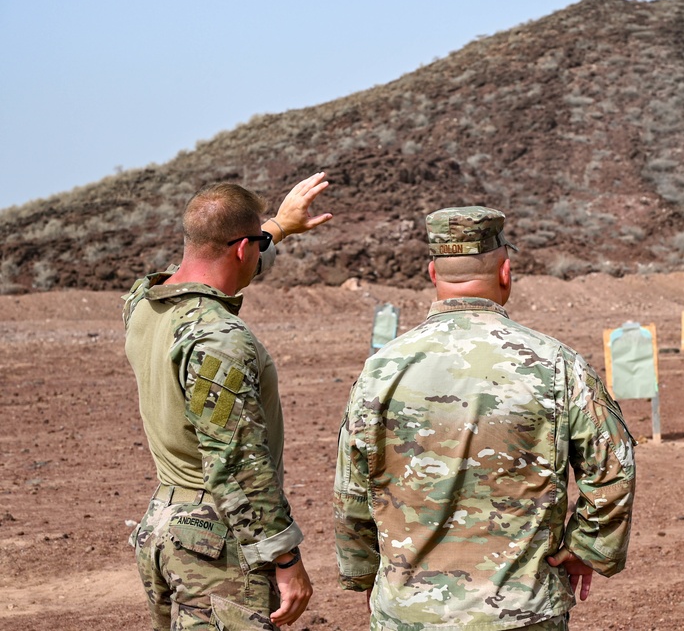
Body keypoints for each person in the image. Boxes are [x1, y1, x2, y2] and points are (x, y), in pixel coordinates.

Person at [333, 206, 636, 630]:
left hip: (412, 611)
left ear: (431, 273)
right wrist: (588, 547)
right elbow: (613, 467)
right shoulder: (556, 363)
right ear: (506, 272)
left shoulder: (381, 369)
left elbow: (352, 487)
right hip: (523, 611)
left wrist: (365, 572)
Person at [123, 172, 333, 630]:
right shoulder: (219, 338)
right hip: (215, 542)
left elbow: (213, 268)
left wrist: (277, 227)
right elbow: (237, 461)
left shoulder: (143, 303)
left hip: (165, 524)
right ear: (243, 248)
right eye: (256, 244)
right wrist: (284, 557)